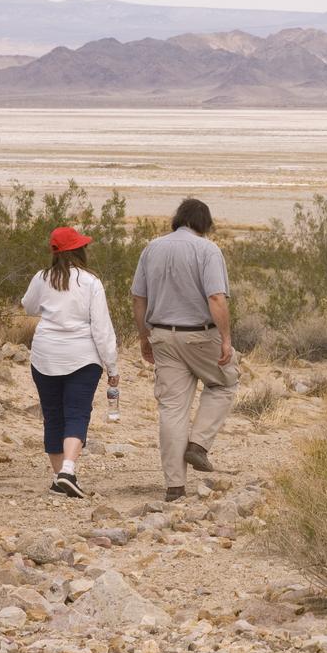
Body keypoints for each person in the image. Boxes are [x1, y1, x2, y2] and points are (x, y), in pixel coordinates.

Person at [132, 199, 239, 502]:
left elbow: (138, 298)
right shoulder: (207, 250)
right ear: (204, 223)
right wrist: (226, 339)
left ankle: (175, 486)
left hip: (162, 336)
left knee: (172, 409)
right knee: (225, 382)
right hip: (200, 335)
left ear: (177, 219)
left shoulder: (151, 248)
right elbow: (216, 298)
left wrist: (143, 337)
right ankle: (199, 445)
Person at [21, 226, 120, 499]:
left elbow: (28, 307)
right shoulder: (90, 282)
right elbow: (101, 329)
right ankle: (68, 470)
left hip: (45, 356)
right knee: (77, 413)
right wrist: (112, 366)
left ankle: (58, 478)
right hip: (82, 358)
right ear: (79, 250)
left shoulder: (42, 278)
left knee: (53, 415)